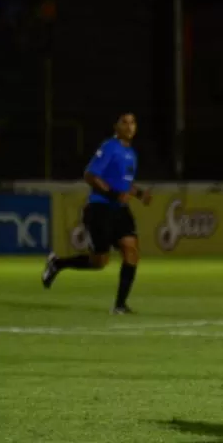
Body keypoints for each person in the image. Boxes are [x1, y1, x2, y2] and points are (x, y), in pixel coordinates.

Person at [42, 113, 151, 314]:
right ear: (116, 126)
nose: (129, 126)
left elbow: (124, 185)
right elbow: (90, 175)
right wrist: (112, 193)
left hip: (119, 210)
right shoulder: (110, 147)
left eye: (133, 122)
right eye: (124, 122)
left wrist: (139, 193)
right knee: (99, 261)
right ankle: (58, 263)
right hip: (100, 208)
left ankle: (120, 305)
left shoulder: (132, 154)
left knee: (131, 250)